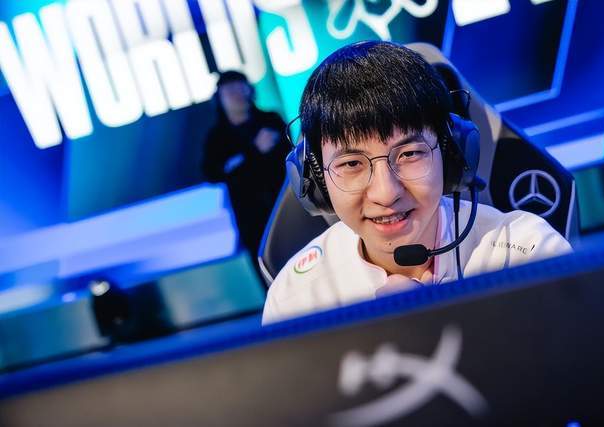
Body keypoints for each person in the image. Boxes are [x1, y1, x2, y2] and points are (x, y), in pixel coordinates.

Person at [262, 41, 572, 324]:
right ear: (317, 178)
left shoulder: (526, 254)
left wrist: (433, 326)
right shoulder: (296, 299)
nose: (386, 193)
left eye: (409, 154)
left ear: (451, 155)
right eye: (352, 164)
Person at [202, 71, 289, 280]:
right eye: (230, 91)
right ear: (220, 98)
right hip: (252, 218)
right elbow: (211, 172)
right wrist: (253, 151)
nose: (237, 95)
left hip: (284, 204)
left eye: (241, 88)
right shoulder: (217, 138)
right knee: (269, 274)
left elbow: (289, 155)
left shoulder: (270, 120)